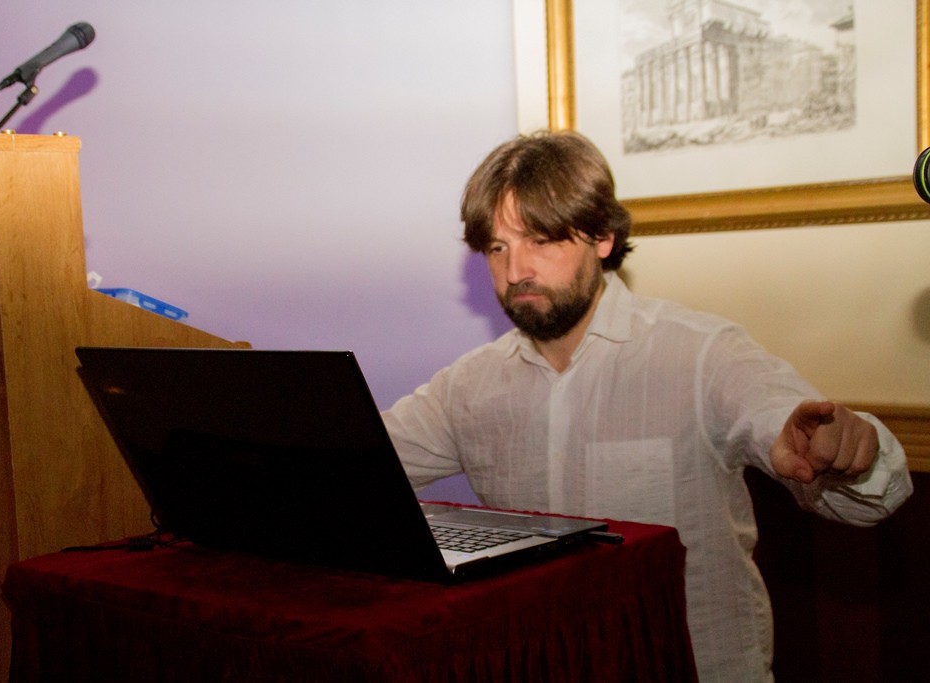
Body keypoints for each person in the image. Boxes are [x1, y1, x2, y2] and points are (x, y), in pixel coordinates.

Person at [381, 130, 913, 682]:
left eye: (541, 239)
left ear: (603, 237)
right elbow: (360, 465)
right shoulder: (468, 387)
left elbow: (863, 495)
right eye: (498, 248)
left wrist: (852, 453)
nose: (516, 271)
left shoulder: (702, 354)